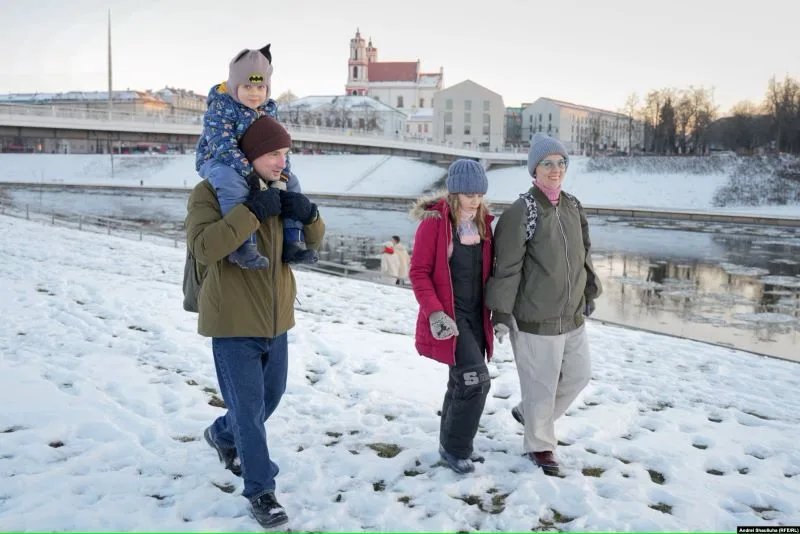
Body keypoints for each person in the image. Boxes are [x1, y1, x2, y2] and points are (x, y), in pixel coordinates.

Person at [186, 115, 325, 529]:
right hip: (232, 321)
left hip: (277, 318)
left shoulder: (283, 188)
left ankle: (221, 435)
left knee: (270, 398)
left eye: (285, 153)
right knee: (249, 411)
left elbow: (313, 242)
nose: (281, 161)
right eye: (272, 154)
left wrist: (310, 214)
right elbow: (204, 247)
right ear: (249, 155)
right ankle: (261, 491)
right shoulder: (209, 192)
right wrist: (250, 213)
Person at [485, 133, 602, 477]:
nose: (555, 169)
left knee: (579, 376)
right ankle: (540, 445)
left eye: (561, 163)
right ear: (533, 169)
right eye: (547, 164)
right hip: (535, 316)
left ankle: (530, 414)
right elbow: (506, 266)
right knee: (542, 385)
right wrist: (501, 312)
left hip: (572, 315)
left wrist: (589, 291)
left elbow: (584, 253)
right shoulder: (522, 211)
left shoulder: (572, 205)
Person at [195, 44, 318, 269]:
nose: (255, 93)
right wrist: (249, 174)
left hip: (251, 166)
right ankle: (243, 246)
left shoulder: (268, 109)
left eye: (261, 87)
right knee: (232, 182)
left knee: (291, 183)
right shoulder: (222, 106)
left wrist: (284, 176)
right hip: (218, 160)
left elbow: (279, 144)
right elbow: (222, 145)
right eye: (247, 86)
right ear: (234, 86)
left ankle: (294, 241)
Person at [408, 159, 495, 474]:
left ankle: (452, 446)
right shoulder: (434, 222)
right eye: (468, 193)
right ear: (455, 192)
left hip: (476, 317)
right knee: (476, 381)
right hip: (449, 318)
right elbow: (418, 273)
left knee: (461, 380)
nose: (474, 199)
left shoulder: (484, 223)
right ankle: (456, 450)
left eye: (479, 193)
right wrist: (435, 313)